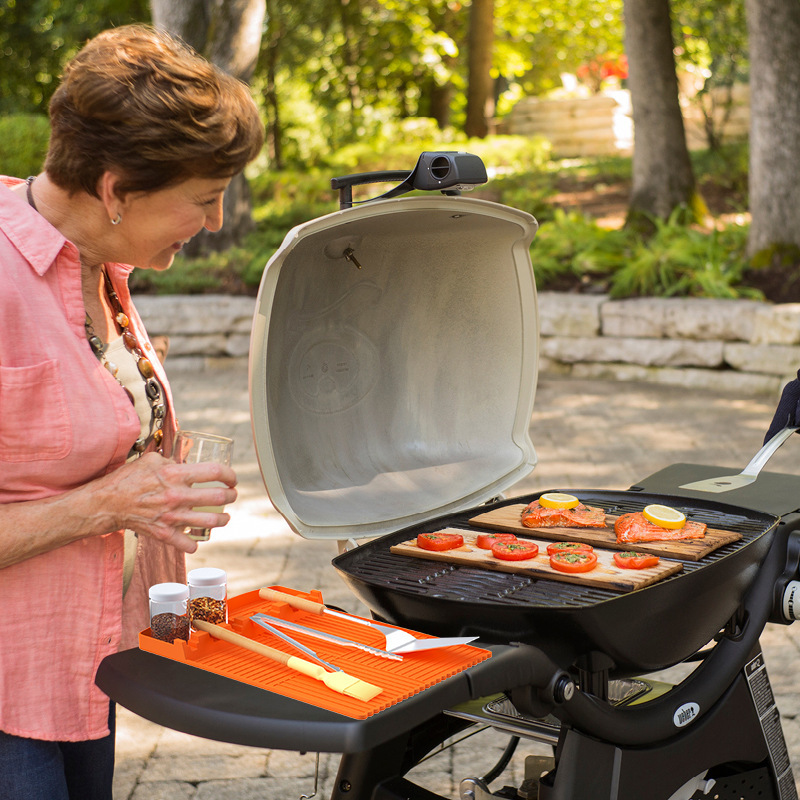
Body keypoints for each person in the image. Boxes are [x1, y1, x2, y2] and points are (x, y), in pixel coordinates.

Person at [0, 24, 264, 800]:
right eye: (204, 200)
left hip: (82, 667)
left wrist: (155, 490)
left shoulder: (98, 264)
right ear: (115, 192)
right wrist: (109, 504)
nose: (215, 223)